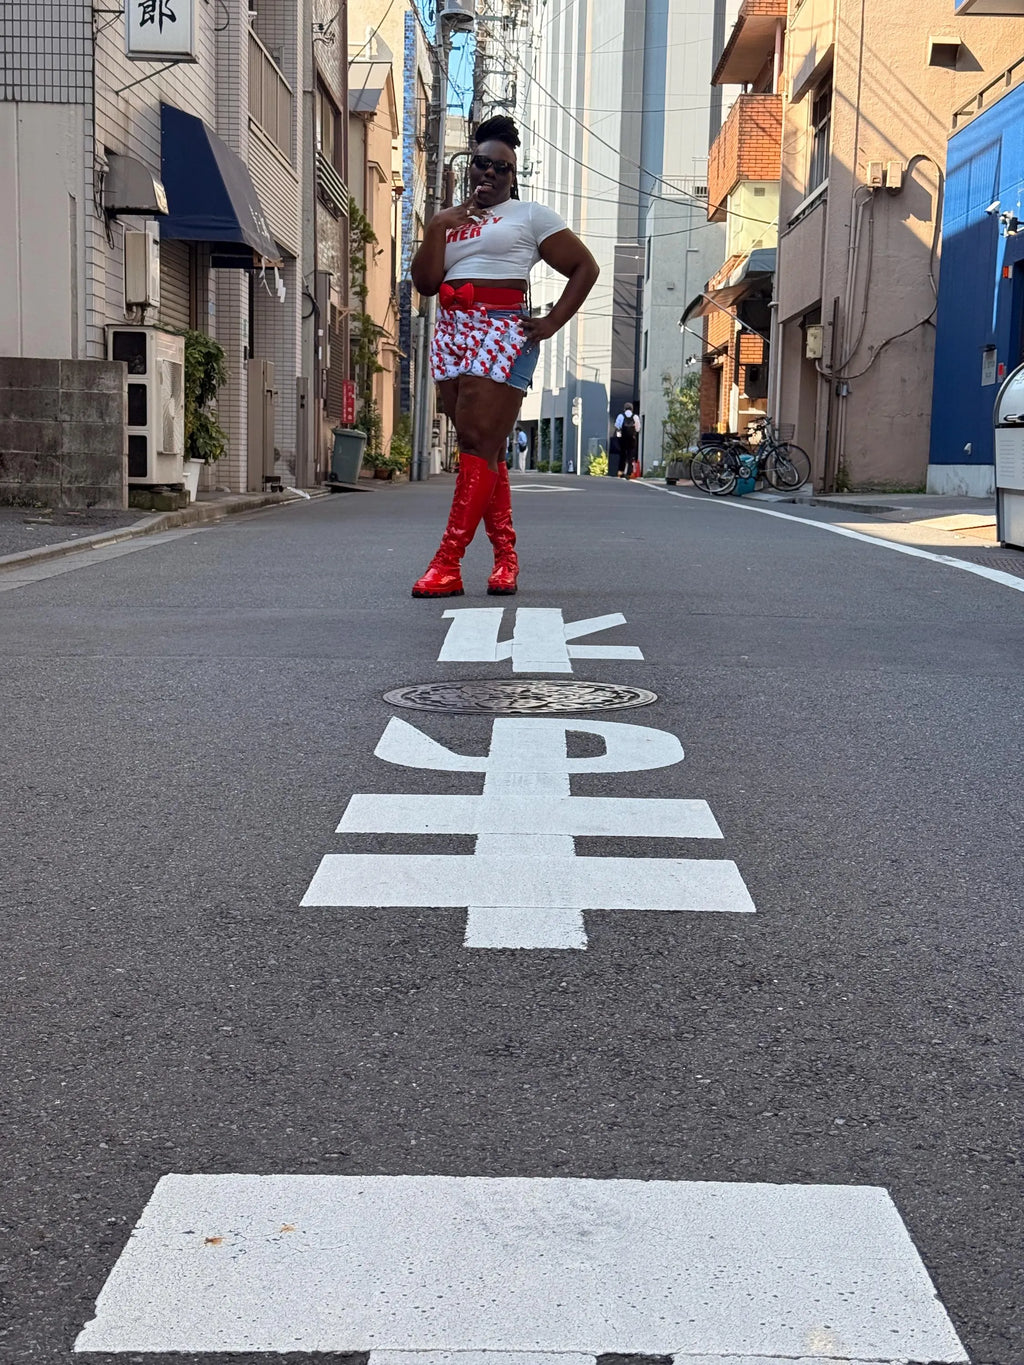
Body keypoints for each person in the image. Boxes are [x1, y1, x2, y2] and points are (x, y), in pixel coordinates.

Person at [409, 115, 599, 596]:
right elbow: (426, 284)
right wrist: (436, 225)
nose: (490, 173)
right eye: (482, 164)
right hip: (453, 330)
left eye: (502, 167)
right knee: (484, 447)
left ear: (513, 175)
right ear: (469, 166)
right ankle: (505, 560)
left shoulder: (529, 216)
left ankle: (448, 563)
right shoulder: (448, 221)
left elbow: (584, 266)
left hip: (500, 329)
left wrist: (552, 322)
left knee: (475, 445)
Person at [615, 403, 640, 478]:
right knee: (630, 455)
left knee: (622, 455)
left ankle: (621, 471)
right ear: (632, 409)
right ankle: (630, 472)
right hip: (632, 439)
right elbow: (638, 428)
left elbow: (617, 426)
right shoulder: (635, 417)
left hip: (623, 439)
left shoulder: (620, 416)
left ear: (624, 409)